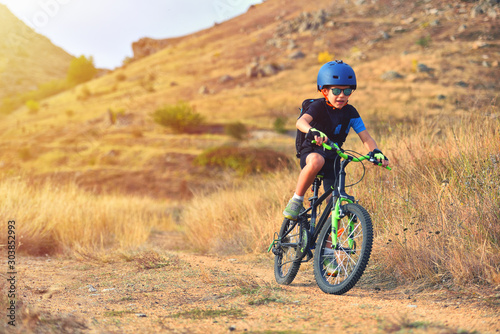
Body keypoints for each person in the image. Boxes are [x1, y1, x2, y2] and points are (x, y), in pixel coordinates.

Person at [283, 60, 389, 221]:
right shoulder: (318, 107)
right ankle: (296, 201)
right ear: (324, 91)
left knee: (335, 203)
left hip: (333, 159)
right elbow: (300, 122)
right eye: (336, 91)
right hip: (312, 152)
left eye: (347, 91)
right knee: (317, 160)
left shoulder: (351, 112)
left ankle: (328, 246)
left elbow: (366, 137)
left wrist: (376, 152)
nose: (342, 95)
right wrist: (312, 130)